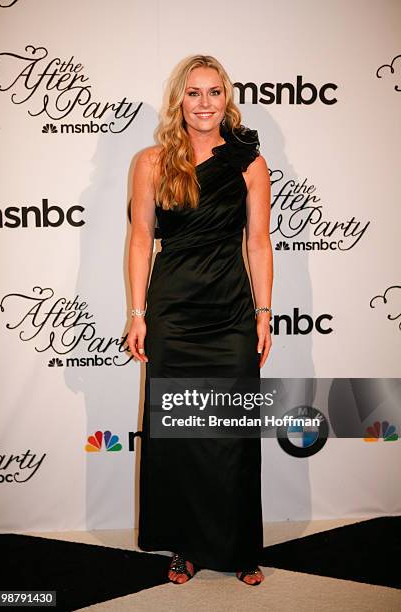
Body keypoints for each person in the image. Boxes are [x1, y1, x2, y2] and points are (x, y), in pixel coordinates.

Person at [128, 54, 273, 586]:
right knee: (180, 436)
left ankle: (239, 547)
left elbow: (257, 241)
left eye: (214, 93)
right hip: (173, 311)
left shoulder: (248, 164)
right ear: (179, 101)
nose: (204, 103)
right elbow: (142, 239)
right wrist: (138, 313)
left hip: (231, 310)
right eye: (194, 93)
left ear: (226, 100)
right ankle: (185, 547)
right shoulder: (151, 162)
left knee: (232, 432)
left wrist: (263, 311)